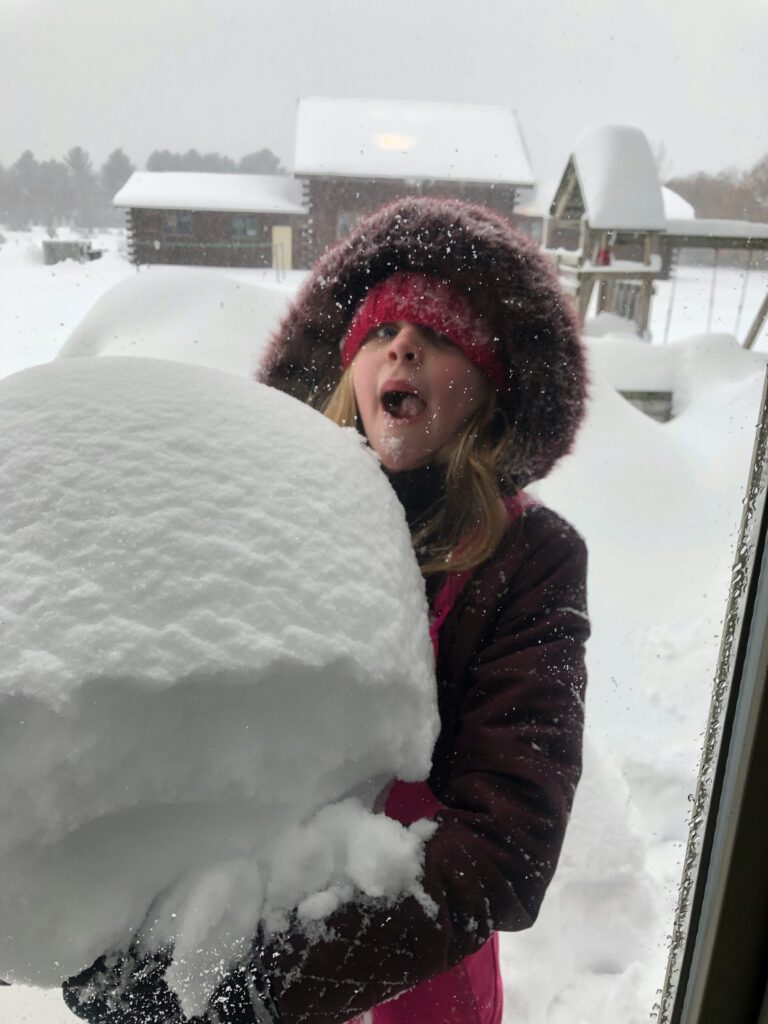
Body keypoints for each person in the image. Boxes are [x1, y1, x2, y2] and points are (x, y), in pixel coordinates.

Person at [63, 196, 590, 1024]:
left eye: (440, 334)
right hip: (223, 917)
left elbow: (508, 845)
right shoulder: (270, 515)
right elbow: (161, 720)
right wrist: (70, 906)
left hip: (412, 980)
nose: (403, 345)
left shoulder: (529, 560)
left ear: (491, 387)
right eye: (382, 332)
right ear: (348, 372)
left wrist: (261, 983)